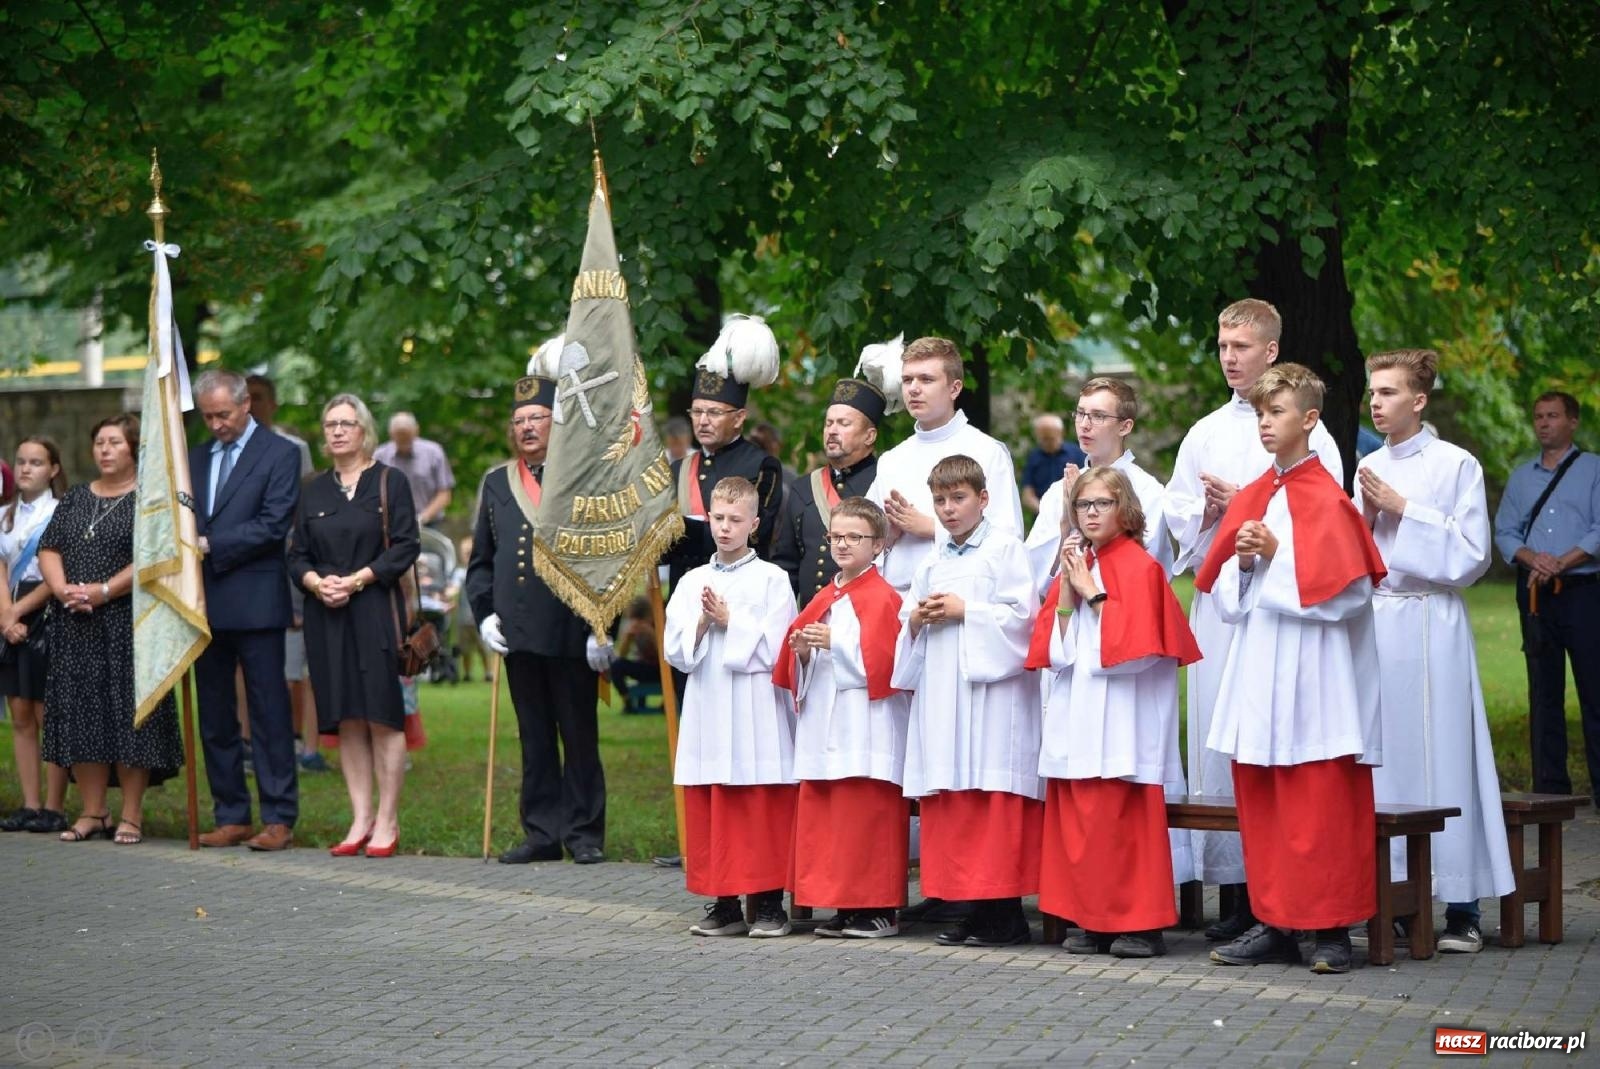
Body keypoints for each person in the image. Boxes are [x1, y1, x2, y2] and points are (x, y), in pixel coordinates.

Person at [1195, 364, 1386, 974]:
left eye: (1275, 413)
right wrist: (1248, 567)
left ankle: (1330, 930)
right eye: (1258, 414)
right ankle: (1274, 919)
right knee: (1265, 795)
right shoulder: (1254, 495)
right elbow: (1222, 588)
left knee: (1319, 798)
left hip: (1315, 672)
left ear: (1308, 419)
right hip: (1259, 664)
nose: (1265, 424)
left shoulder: (1328, 497)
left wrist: (1278, 558)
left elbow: (1352, 594)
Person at [1162, 298, 1343, 940]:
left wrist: (1250, 523)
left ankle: (1289, 907)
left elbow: (1328, 529)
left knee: (1281, 753)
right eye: (1221, 346)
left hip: (1290, 619)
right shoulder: (1205, 431)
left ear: (1270, 350)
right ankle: (1241, 897)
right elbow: (1176, 521)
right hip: (1225, 607)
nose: (1228, 357)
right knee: (1226, 745)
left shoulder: (1312, 437)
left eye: (1240, 347)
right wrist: (1212, 516)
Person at [1356, 349, 1515, 954]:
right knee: (1389, 760)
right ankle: (1397, 897)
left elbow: (1474, 552)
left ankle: (1461, 906)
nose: (1377, 401)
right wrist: (1367, 518)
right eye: (1374, 391)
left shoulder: (1457, 465)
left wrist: (1404, 510)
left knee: (1445, 755)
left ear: (1418, 400)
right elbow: (1358, 554)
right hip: (1382, 623)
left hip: (1433, 620)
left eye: (1390, 392)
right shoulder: (1368, 465)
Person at [1030, 468, 1201, 958]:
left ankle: (1139, 924)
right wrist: (1066, 592)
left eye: (1102, 503)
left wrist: (1091, 592)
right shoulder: (1076, 563)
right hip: (1077, 710)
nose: (1091, 513)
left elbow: (1142, 650)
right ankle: (1092, 919)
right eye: (1083, 505)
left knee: (1123, 824)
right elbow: (1053, 650)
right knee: (1081, 824)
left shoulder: (1141, 567)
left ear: (1124, 509)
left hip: (1123, 717)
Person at [891, 455, 1041, 947]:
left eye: (958, 499)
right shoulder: (933, 559)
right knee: (953, 797)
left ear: (983, 499)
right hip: (944, 696)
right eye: (940, 501)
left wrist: (965, 611)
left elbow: (1023, 619)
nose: (949, 509)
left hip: (990, 699)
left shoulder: (1004, 549)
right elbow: (905, 627)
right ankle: (969, 907)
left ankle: (1005, 912)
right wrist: (916, 620)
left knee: (989, 799)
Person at [467, 375, 606, 865]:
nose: (527, 428)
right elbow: (483, 560)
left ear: (556, 424)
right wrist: (483, 614)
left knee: (579, 733)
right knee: (534, 736)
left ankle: (585, 833)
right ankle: (542, 833)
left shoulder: (585, 477)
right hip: (519, 631)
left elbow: (605, 558)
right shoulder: (496, 483)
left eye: (537, 419)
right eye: (520, 421)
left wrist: (600, 625)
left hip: (571, 630)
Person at [664, 477, 799, 937]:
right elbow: (675, 651)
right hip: (709, 701)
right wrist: (702, 625)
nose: (724, 528)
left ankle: (767, 904)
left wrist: (731, 622)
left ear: (754, 524)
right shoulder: (691, 581)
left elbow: (781, 647)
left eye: (735, 520)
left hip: (756, 707)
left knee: (756, 801)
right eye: (718, 518)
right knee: (715, 797)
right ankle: (723, 901)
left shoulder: (773, 579)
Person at [288, 394, 420, 858]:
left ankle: (388, 819)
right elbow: (297, 553)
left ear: (365, 431)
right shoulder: (312, 489)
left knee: (382, 715)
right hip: (326, 614)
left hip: (375, 610)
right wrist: (313, 581)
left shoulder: (390, 482)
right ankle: (361, 817)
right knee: (345, 718)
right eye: (329, 425)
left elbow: (406, 546)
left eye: (346, 423)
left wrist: (359, 579)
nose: (337, 432)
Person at [41, 415, 183, 845]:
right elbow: (49, 547)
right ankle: (93, 811)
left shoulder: (150, 500)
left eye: (114, 443)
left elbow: (155, 556)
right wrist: (63, 588)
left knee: (128, 718)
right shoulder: (76, 498)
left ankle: (132, 815)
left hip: (127, 624)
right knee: (84, 716)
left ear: (133, 449)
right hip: (75, 623)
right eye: (99, 442)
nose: (104, 450)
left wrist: (104, 590)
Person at [775, 496, 910, 938]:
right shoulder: (824, 595)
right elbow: (801, 667)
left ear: (879, 545)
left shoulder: (884, 597)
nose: (843, 544)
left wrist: (837, 643)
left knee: (865, 815)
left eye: (856, 537)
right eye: (837, 536)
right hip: (826, 723)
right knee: (833, 819)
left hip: (865, 724)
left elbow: (888, 663)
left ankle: (879, 909)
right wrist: (804, 655)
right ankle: (845, 904)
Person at [189, 369, 304, 852]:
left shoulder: (280, 453)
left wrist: (211, 544)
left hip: (256, 601)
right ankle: (230, 812)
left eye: (223, 414)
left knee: (268, 712)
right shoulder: (193, 458)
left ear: (245, 406)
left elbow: (273, 523)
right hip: (201, 603)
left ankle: (278, 816)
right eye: (207, 416)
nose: (215, 424)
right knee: (215, 714)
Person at [1492, 391, 1599, 805]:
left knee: (1595, 690)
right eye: (1538, 416)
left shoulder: (1593, 470)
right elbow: (1504, 533)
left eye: (1553, 416)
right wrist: (1536, 560)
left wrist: (1561, 563)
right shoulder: (1521, 478)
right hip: (1536, 594)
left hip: (1585, 593)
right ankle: (1551, 791)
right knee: (1543, 692)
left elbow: (1598, 530)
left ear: (1572, 421)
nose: (1544, 423)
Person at [868, 337, 1023, 595]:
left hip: (962, 598)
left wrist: (930, 527)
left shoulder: (986, 451)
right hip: (897, 600)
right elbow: (866, 539)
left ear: (954, 388)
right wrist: (887, 535)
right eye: (908, 380)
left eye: (926, 380)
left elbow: (1008, 538)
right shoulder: (891, 460)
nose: (914, 389)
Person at [664, 315, 785, 595]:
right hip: (683, 596)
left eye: (714, 412)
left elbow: (754, 536)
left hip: (740, 597)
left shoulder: (762, 465)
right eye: (697, 411)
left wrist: (678, 530)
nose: (702, 421)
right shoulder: (680, 468)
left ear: (740, 418)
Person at [773, 344, 901, 606]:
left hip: (863, 618)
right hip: (810, 621)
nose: (832, 431)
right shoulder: (804, 488)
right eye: (829, 423)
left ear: (870, 436)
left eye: (844, 423)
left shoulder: (886, 482)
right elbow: (787, 565)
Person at [1026, 377, 1174, 591]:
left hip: (1121, 612)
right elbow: (1035, 578)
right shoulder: (1059, 490)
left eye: (1098, 416)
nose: (1084, 424)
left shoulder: (1147, 491)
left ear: (1125, 426)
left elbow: (1147, 570)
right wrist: (1067, 524)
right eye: (1080, 413)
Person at [0, 437, 69, 834]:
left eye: (37, 462)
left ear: (54, 469)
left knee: (48, 711)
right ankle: (29, 803)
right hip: (9, 612)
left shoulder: (61, 512)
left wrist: (20, 611)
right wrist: (6, 617)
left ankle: (54, 806)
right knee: (21, 713)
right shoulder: (5, 515)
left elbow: (57, 571)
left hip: (46, 609)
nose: (26, 469)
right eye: (21, 461)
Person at [374, 411, 455, 527]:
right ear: (391, 434)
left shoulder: (434, 453)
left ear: (416, 431)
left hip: (430, 524)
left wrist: (423, 517)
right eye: (399, 435)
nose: (403, 440)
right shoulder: (379, 457)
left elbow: (444, 493)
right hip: (391, 525)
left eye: (406, 435)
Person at [247, 374, 314, 478]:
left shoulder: (296, 448)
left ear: (273, 406)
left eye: (256, 398)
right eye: (245, 399)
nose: (249, 405)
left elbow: (306, 490)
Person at [1020, 413, 1085, 514]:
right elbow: (1027, 494)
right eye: (1043, 439)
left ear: (1061, 433)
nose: (1046, 443)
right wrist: (1044, 511)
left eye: (1050, 439)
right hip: (1041, 515)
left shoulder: (1077, 454)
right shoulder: (1033, 457)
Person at [610, 596, 661, 708]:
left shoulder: (660, 624)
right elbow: (621, 655)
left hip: (661, 669)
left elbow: (666, 655)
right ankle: (627, 700)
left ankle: (665, 704)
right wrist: (627, 638)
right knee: (616, 665)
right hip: (643, 666)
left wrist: (652, 635)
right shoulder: (632, 628)